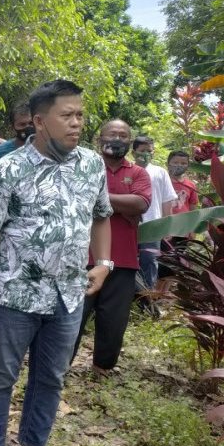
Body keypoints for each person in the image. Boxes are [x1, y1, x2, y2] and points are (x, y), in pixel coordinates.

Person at [0, 79, 112, 446]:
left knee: (50, 376)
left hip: (69, 293)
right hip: (15, 293)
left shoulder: (91, 164)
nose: (77, 123)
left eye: (80, 115)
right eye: (67, 115)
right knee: (0, 376)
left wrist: (103, 263)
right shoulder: (8, 169)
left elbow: (101, 215)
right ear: (39, 121)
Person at [71, 120, 151, 375]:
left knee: (113, 320)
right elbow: (73, 198)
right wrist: (120, 205)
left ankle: (102, 368)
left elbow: (140, 204)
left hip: (124, 259)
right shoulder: (82, 166)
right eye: (112, 133)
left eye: (123, 135)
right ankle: (57, 366)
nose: (117, 138)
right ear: (99, 138)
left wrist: (97, 197)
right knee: (72, 315)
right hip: (81, 256)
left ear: (130, 142)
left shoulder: (138, 173)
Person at [131, 136, 176, 291]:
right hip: (129, 225)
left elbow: (167, 199)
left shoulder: (160, 172)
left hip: (153, 226)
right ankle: (130, 296)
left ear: (154, 153)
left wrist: (166, 225)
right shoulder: (127, 170)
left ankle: (148, 296)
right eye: (142, 151)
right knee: (127, 260)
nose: (145, 154)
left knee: (150, 260)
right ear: (133, 152)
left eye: (149, 151)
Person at [168, 151, 199, 215]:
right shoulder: (161, 182)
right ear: (168, 164)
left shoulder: (191, 185)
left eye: (183, 163)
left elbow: (193, 210)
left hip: (184, 222)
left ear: (188, 166)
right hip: (165, 221)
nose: (179, 165)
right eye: (175, 162)